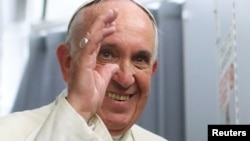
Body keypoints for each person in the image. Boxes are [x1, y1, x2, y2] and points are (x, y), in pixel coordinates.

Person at [0, 0, 167, 140]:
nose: (125, 79)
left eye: (139, 59)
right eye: (106, 54)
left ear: (152, 70)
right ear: (68, 63)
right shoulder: (8, 132)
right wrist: (80, 110)